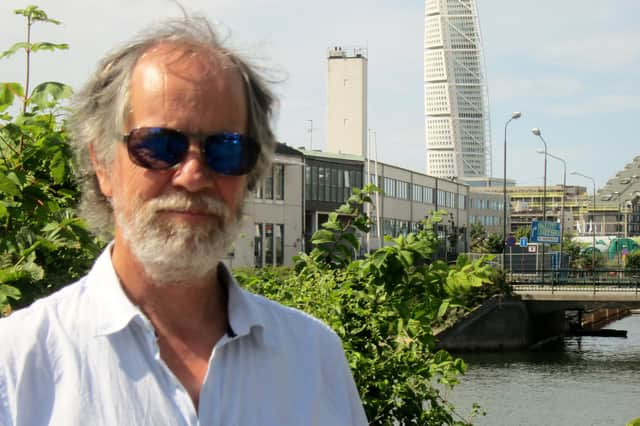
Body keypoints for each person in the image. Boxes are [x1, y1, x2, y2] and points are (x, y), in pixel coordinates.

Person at [0, 15, 368, 426]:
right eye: (159, 145)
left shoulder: (313, 357)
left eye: (226, 149)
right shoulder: (18, 367)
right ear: (102, 164)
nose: (193, 175)